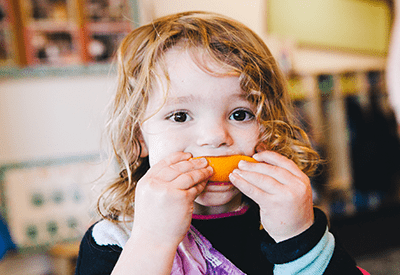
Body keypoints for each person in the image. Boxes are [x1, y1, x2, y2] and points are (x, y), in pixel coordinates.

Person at [75, 11, 368, 275]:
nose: (215, 137)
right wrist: (152, 240)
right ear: (138, 137)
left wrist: (299, 238)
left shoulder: (286, 220)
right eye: (179, 116)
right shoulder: (114, 240)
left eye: (240, 114)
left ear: (268, 130)